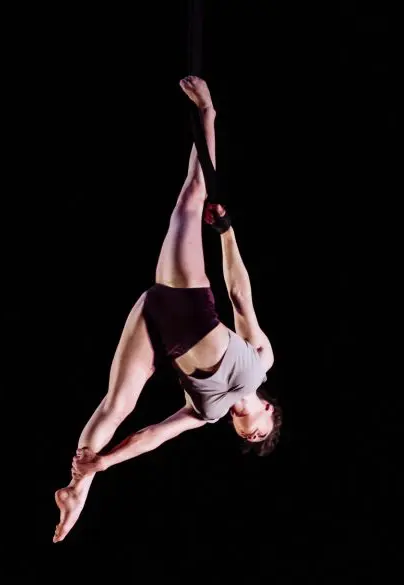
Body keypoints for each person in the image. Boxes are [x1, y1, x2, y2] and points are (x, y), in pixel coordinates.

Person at [52, 76, 282, 543]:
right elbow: (240, 293)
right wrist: (227, 233)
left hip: (156, 324)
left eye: (247, 441)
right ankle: (208, 115)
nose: (250, 435)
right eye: (261, 434)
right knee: (191, 200)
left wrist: (106, 462)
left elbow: (153, 435)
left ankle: (78, 486)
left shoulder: (205, 414)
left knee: (117, 405)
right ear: (270, 411)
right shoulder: (261, 362)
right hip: (189, 304)